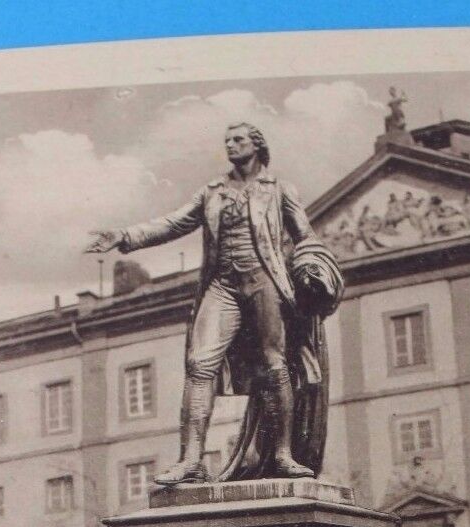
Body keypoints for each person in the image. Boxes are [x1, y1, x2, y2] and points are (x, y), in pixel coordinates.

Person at [84, 122, 342, 485]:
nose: (230, 146)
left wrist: (311, 269)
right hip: (222, 285)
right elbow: (174, 223)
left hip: (264, 279)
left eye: (238, 140)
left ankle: (283, 454)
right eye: (227, 141)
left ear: (257, 145)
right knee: (199, 363)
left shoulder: (280, 188)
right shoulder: (212, 192)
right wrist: (125, 236)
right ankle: (190, 459)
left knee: (273, 363)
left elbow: (305, 237)